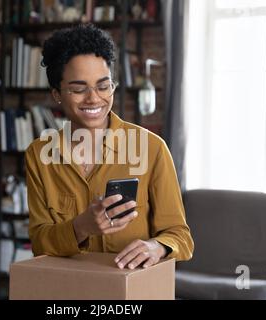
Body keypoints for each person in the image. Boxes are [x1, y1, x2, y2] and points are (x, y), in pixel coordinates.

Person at [25, 24, 193, 269]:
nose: (94, 98)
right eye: (78, 89)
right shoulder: (40, 155)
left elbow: (181, 237)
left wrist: (156, 247)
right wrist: (81, 227)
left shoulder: (152, 149)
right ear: (57, 94)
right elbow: (40, 243)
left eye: (103, 86)